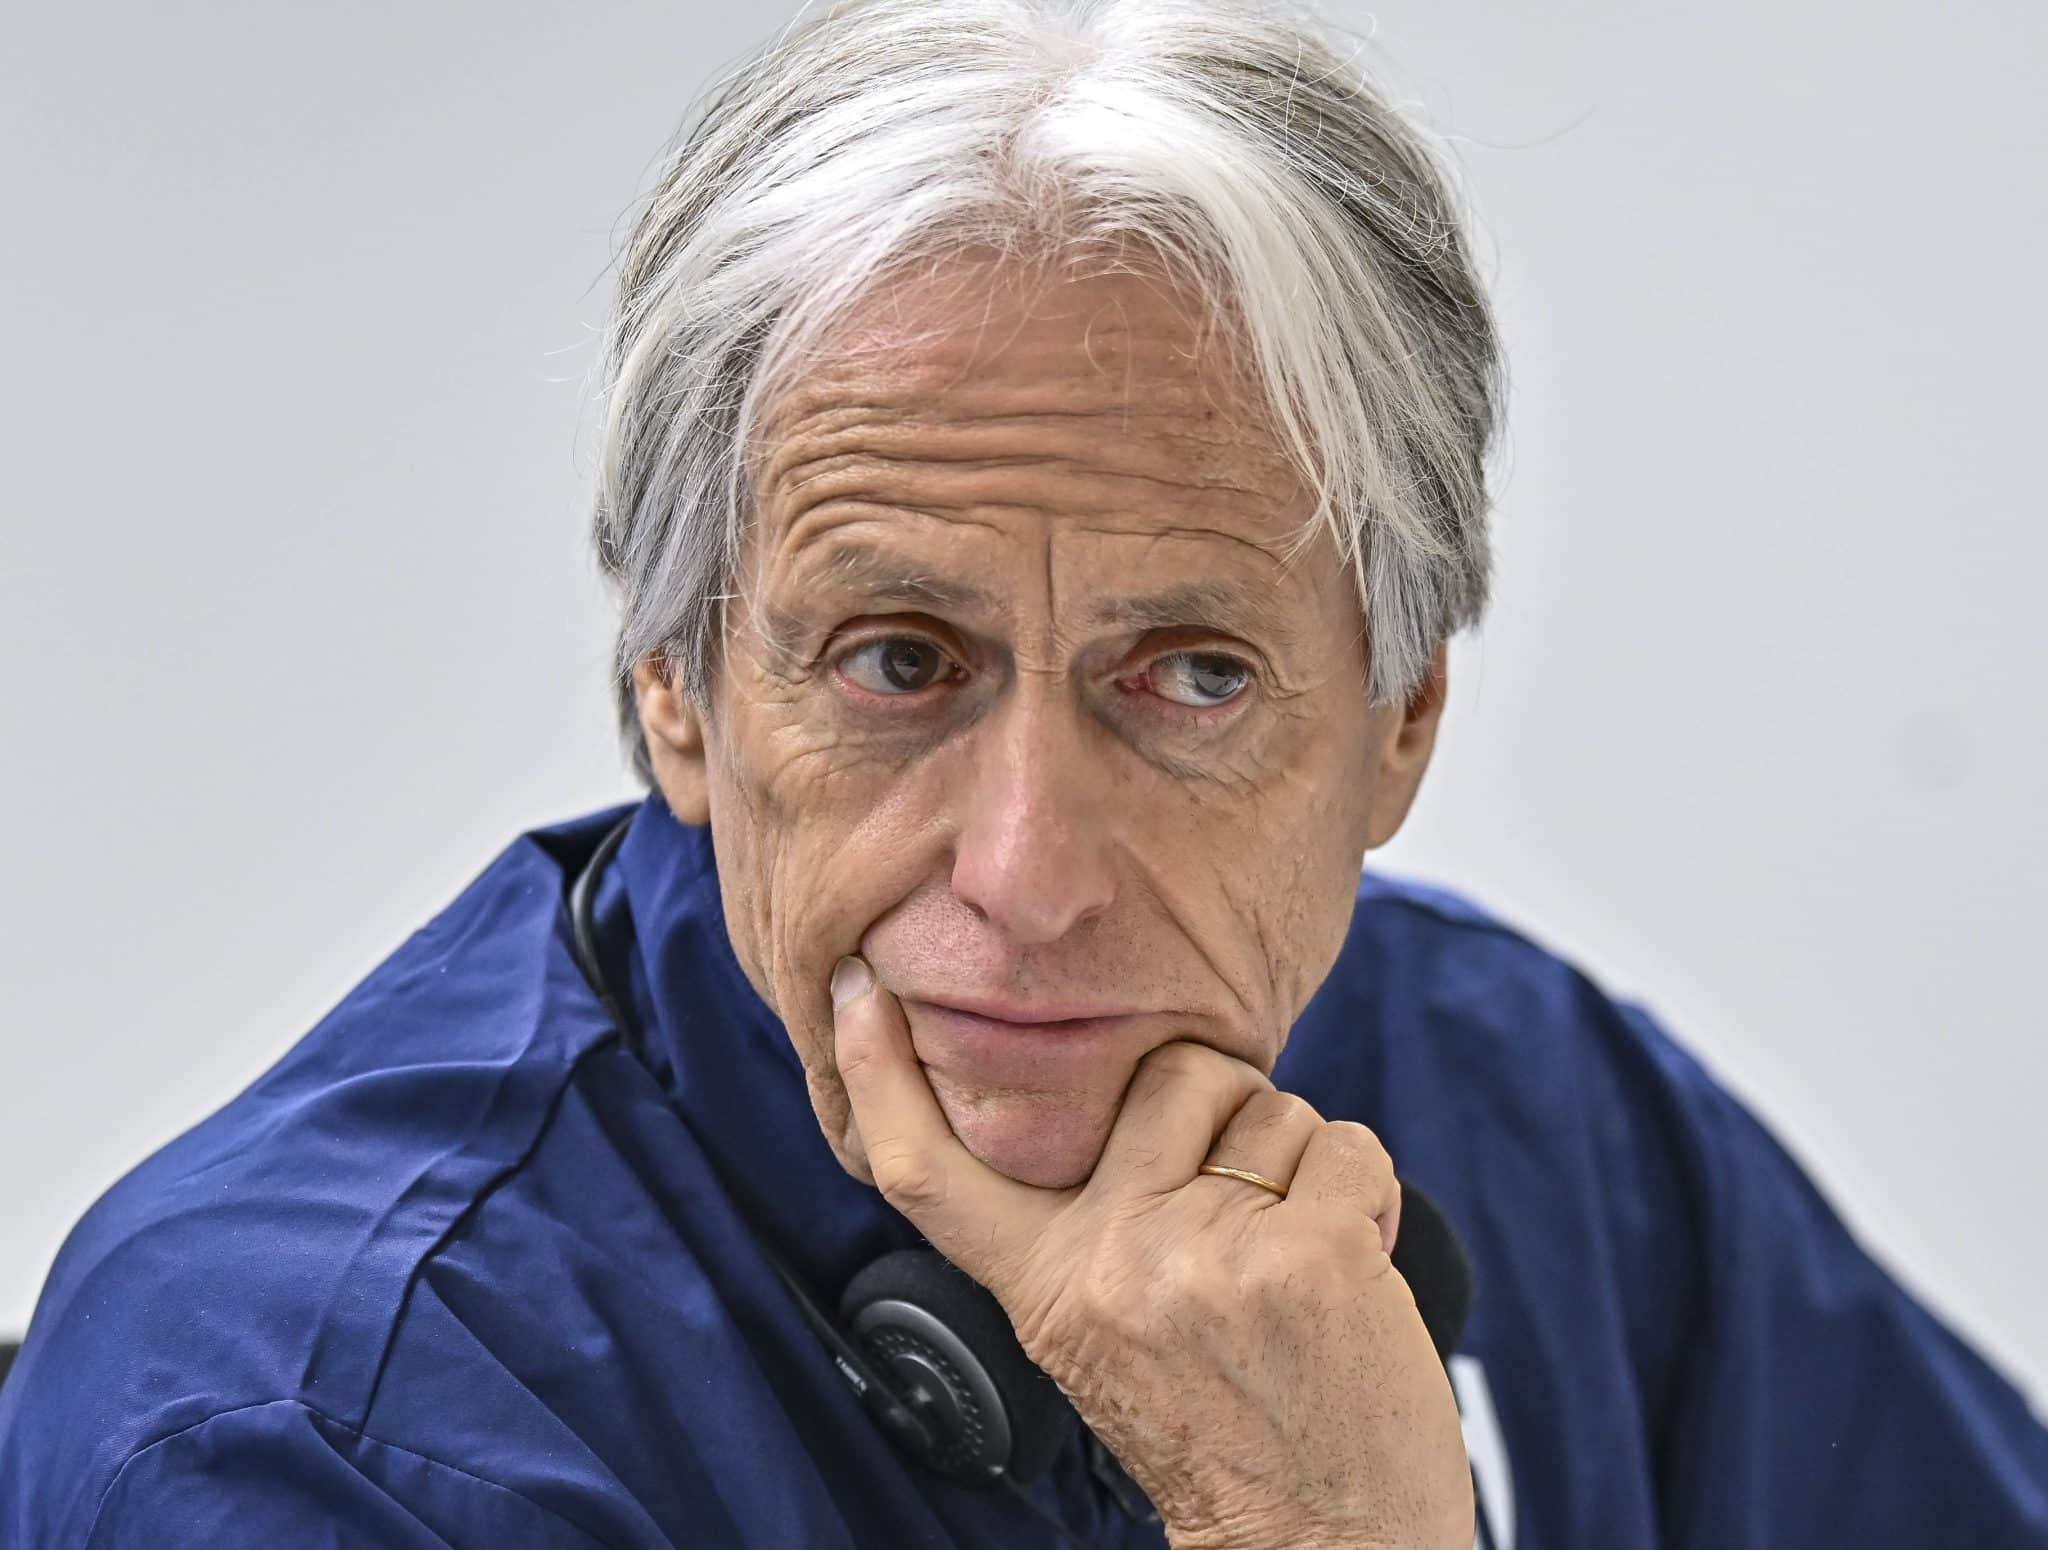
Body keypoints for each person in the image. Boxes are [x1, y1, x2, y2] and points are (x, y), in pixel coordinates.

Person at [3, 0, 2044, 1544]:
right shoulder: (305, 1420)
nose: (1031, 868)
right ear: (679, 697)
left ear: (1401, 720)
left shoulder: (1519, 1092)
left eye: (1191, 674)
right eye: (900, 662)